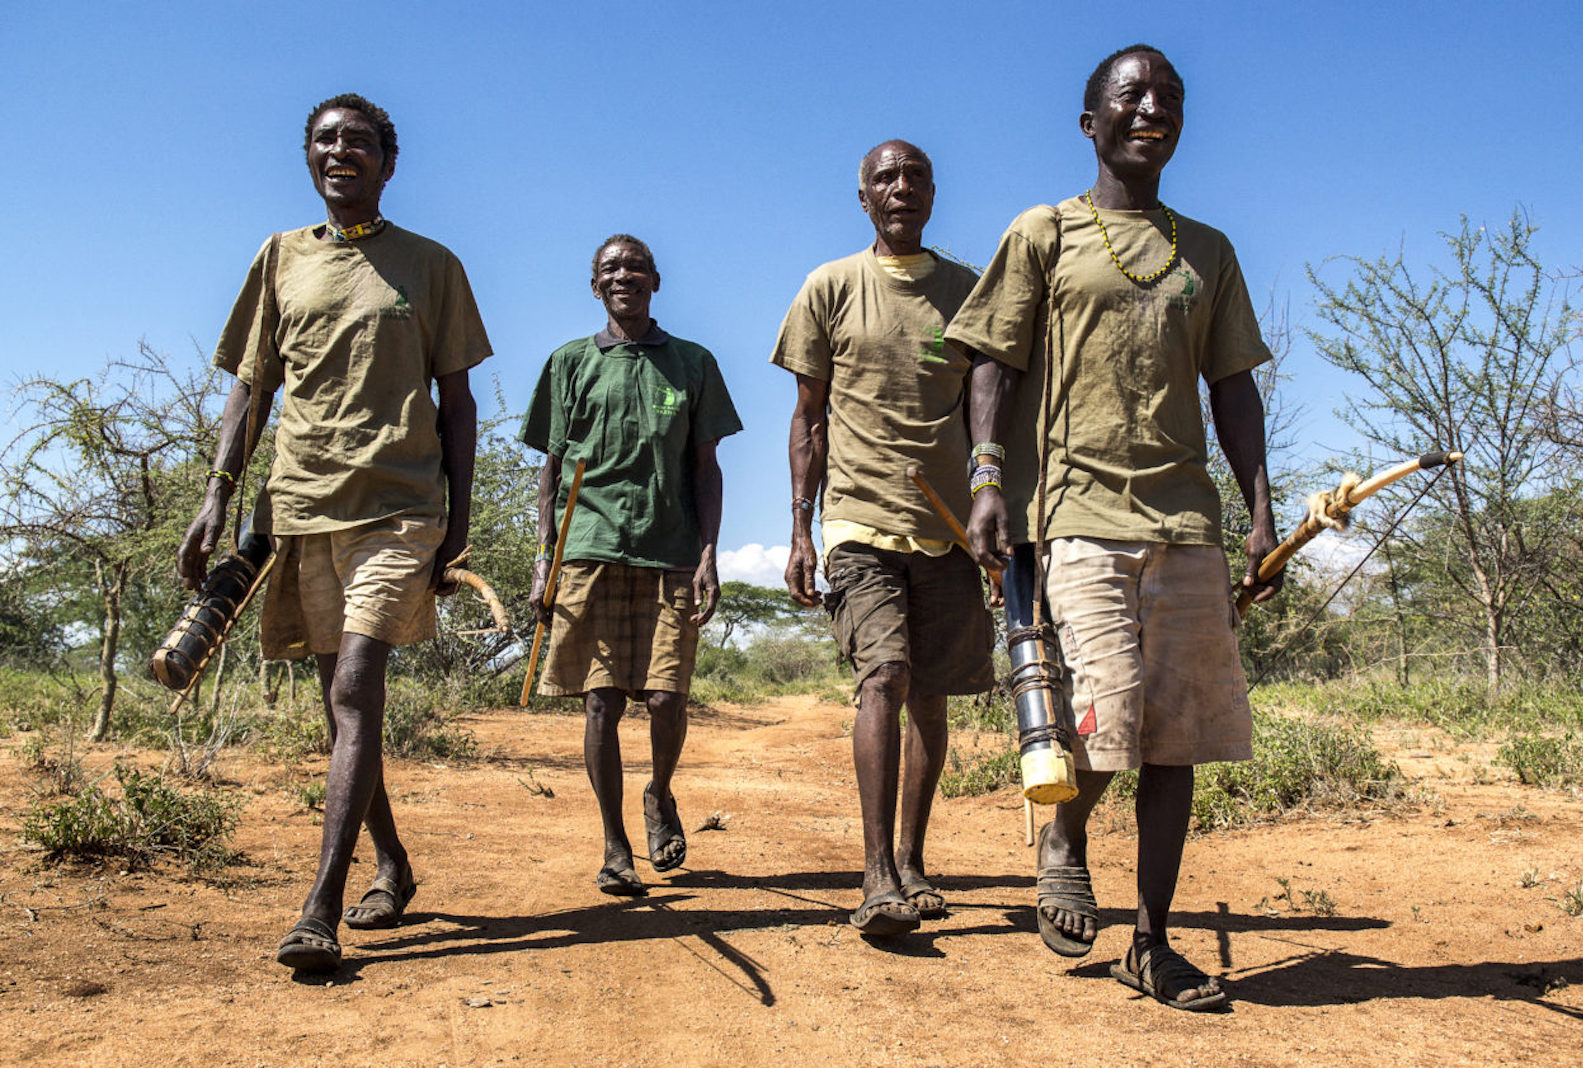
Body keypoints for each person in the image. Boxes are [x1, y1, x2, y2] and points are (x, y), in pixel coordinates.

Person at [951, 45, 1281, 1009]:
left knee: (1173, 740)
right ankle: (1061, 835)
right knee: (1106, 717)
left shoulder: (1207, 251)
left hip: (1185, 520)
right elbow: (992, 365)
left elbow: (1232, 387)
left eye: (1170, 97)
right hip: (1077, 515)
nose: (1153, 108)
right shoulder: (1046, 233)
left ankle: (1152, 941)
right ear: (1089, 122)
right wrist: (985, 477)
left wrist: (1258, 509)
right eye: (1131, 95)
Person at [179, 94, 491, 972]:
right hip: (301, 506)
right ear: (308, 159)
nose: (340, 151)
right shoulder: (280, 259)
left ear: (389, 163)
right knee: (341, 704)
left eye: (359, 141)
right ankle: (391, 860)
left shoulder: (432, 266)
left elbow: (457, 404)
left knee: (356, 684)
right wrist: (217, 496)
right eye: (324, 140)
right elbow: (251, 389)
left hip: (400, 507)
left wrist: (456, 520)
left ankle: (317, 906)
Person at [772, 140, 994, 938]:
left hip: (947, 530)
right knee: (887, 673)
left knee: (931, 693)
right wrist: (800, 527)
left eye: (916, 177)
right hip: (859, 518)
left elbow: (987, 415)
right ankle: (873, 878)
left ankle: (911, 860)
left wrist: (994, 507)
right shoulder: (828, 288)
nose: (901, 188)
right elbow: (808, 417)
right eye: (885, 179)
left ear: (933, 193)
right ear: (862, 197)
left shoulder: (968, 294)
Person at [520, 235, 741, 897]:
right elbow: (551, 472)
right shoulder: (567, 364)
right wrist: (542, 561)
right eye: (611, 268)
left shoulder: (692, 363)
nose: (625, 276)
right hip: (586, 549)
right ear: (596, 286)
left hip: (668, 551)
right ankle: (615, 846)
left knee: (668, 697)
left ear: (656, 282)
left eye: (636, 267)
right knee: (600, 704)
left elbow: (706, 469)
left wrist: (708, 552)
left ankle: (660, 792)